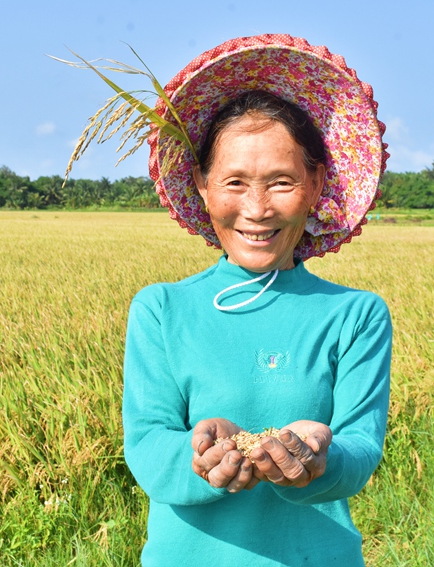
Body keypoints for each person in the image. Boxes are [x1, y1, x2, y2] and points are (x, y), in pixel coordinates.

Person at [73, 34, 392, 566]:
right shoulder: (162, 310)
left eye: (282, 182)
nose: (257, 209)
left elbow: (361, 448)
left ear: (316, 185)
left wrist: (319, 456)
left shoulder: (355, 315)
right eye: (235, 182)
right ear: (201, 184)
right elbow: (148, 448)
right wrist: (200, 458)